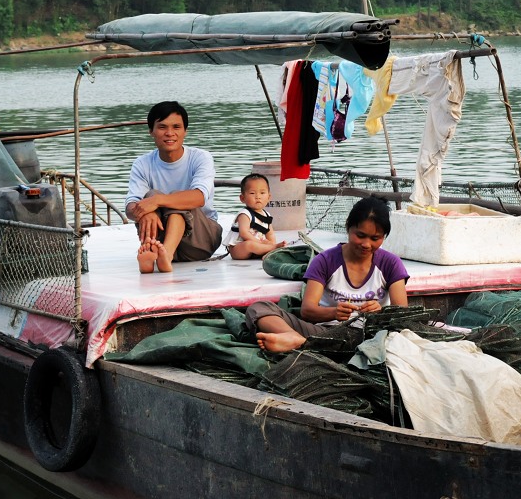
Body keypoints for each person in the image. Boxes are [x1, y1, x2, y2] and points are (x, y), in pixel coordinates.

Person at [246, 195, 410, 353]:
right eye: (360, 236)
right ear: (348, 227)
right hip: (324, 331)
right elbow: (307, 310)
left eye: (375, 238)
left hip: (370, 335)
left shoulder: (391, 263)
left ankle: (302, 344)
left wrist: (380, 313)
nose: (366, 244)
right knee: (258, 309)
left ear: (384, 237)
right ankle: (295, 338)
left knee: (381, 340)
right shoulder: (325, 260)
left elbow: (402, 314)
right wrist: (334, 313)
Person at [125, 101, 222, 273]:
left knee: (175, 199)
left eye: (176, 127)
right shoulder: (142, 163)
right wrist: (145, 212)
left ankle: (165, 255)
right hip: (161, 239)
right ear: (151, 131)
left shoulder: (200, 158)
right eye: (162, 127)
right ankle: (160, 254)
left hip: (201, 241)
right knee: (149, 199)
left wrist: (156, 201)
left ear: (185, 131)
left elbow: (199, 198)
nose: (170, 133)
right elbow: (131, 208)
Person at [224, 173, 286, 260]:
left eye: (262, 193)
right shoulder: (245, 214)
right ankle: (273, 249)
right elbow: (244, 233)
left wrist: (271, 243)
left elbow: (270, 233)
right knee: (250, 244)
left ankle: (270, 251)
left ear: (269, 197)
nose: (258, 197)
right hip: (239, 249)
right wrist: (259, 243)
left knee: (265, 245)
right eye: (252, 193)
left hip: (257, 247)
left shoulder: (266, 215)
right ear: (242, 198)